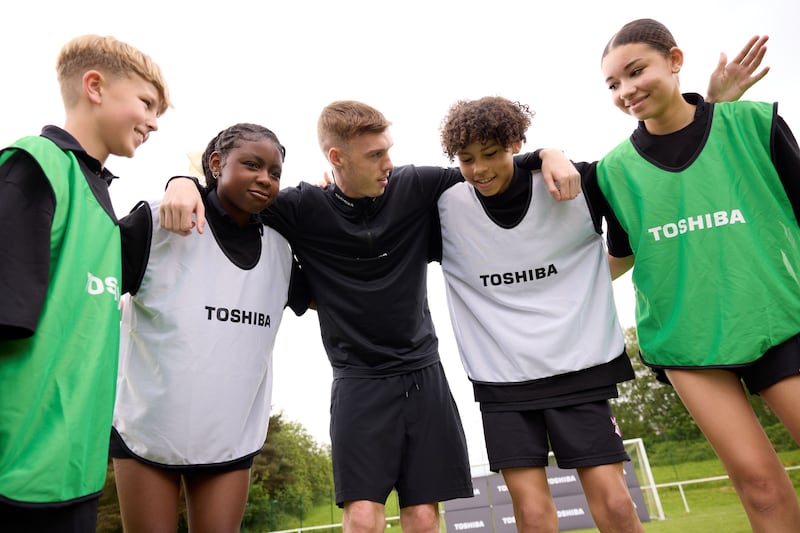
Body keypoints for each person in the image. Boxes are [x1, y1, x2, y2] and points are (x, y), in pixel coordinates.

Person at [159, 103, 580, 533]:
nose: (388, 163)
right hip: (358, 380)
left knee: (421, 516)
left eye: (388, 150)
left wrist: (549, 153)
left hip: (423, 374)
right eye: (375, 154)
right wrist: (183, 182)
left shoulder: (415, 185)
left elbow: (489, 171)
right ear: (337, 158)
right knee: (361, 518)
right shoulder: (302, 208)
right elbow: (229, 199)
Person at [596, 19, 800, 531]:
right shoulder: (613, 170)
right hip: (687, 341)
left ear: (675, 60)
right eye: (613, 84)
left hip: (777, 318)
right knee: (759, 487)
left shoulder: (753, 123)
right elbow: (621, 253)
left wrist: (717, 108)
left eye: (635, 71)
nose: (626, 90)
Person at [437, 96, 641, 533]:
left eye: (491, 154)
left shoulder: (580, 181)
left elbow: (625, 249)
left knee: (617, 506)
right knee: (531, 514)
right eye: (467, 159)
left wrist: (577, 290)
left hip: (579, 368)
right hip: (501, 380)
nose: (479, 169)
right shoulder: (443, 204)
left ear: (515, 142)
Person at [0, 34, 170, 532]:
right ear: (94, 86)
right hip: (16, 471)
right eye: (146, 103)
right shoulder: (35, 165)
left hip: (72, 469)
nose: (154, 121)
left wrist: (185, 182)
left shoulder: (98, 198)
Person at [110, 122, 307, 532]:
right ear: (216, 163)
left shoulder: (281, 251)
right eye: (252, 164)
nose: (265, 179)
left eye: (274, 172)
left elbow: (338, 292)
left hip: (229, 439)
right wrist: (180, 181)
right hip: (147, 431)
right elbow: (92, 292)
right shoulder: (156, 222)